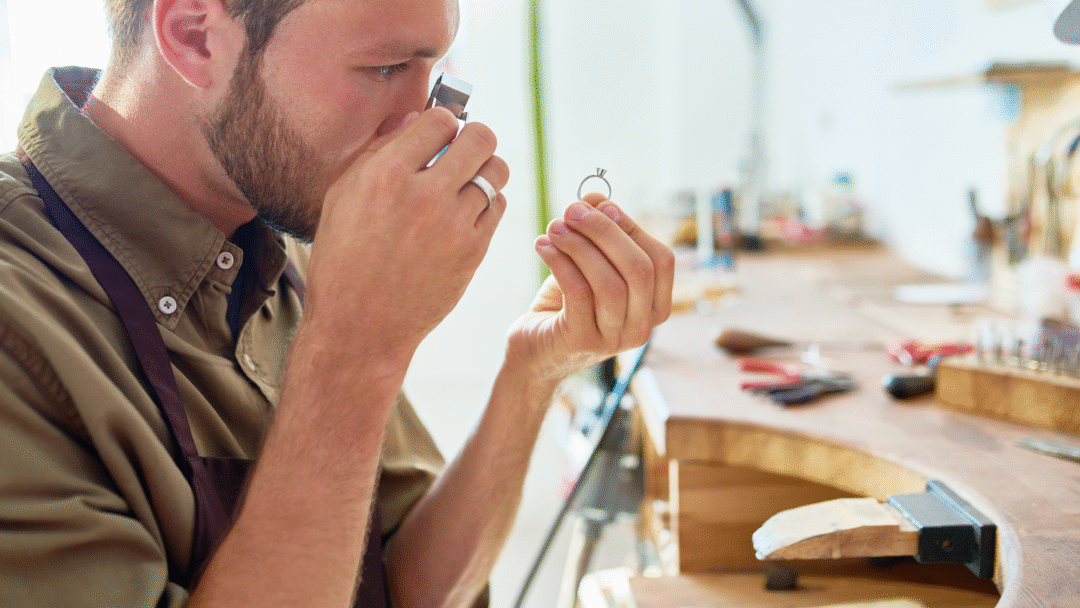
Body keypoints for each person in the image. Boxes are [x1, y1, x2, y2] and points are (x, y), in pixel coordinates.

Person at [0, 0, 674, 606]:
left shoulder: (277, 225)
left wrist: (531, 374)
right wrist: (355, 354)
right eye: (383, 68)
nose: (429, 126)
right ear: (195, 36)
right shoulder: (20, 319)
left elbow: (405, 587)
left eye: (436, 71)